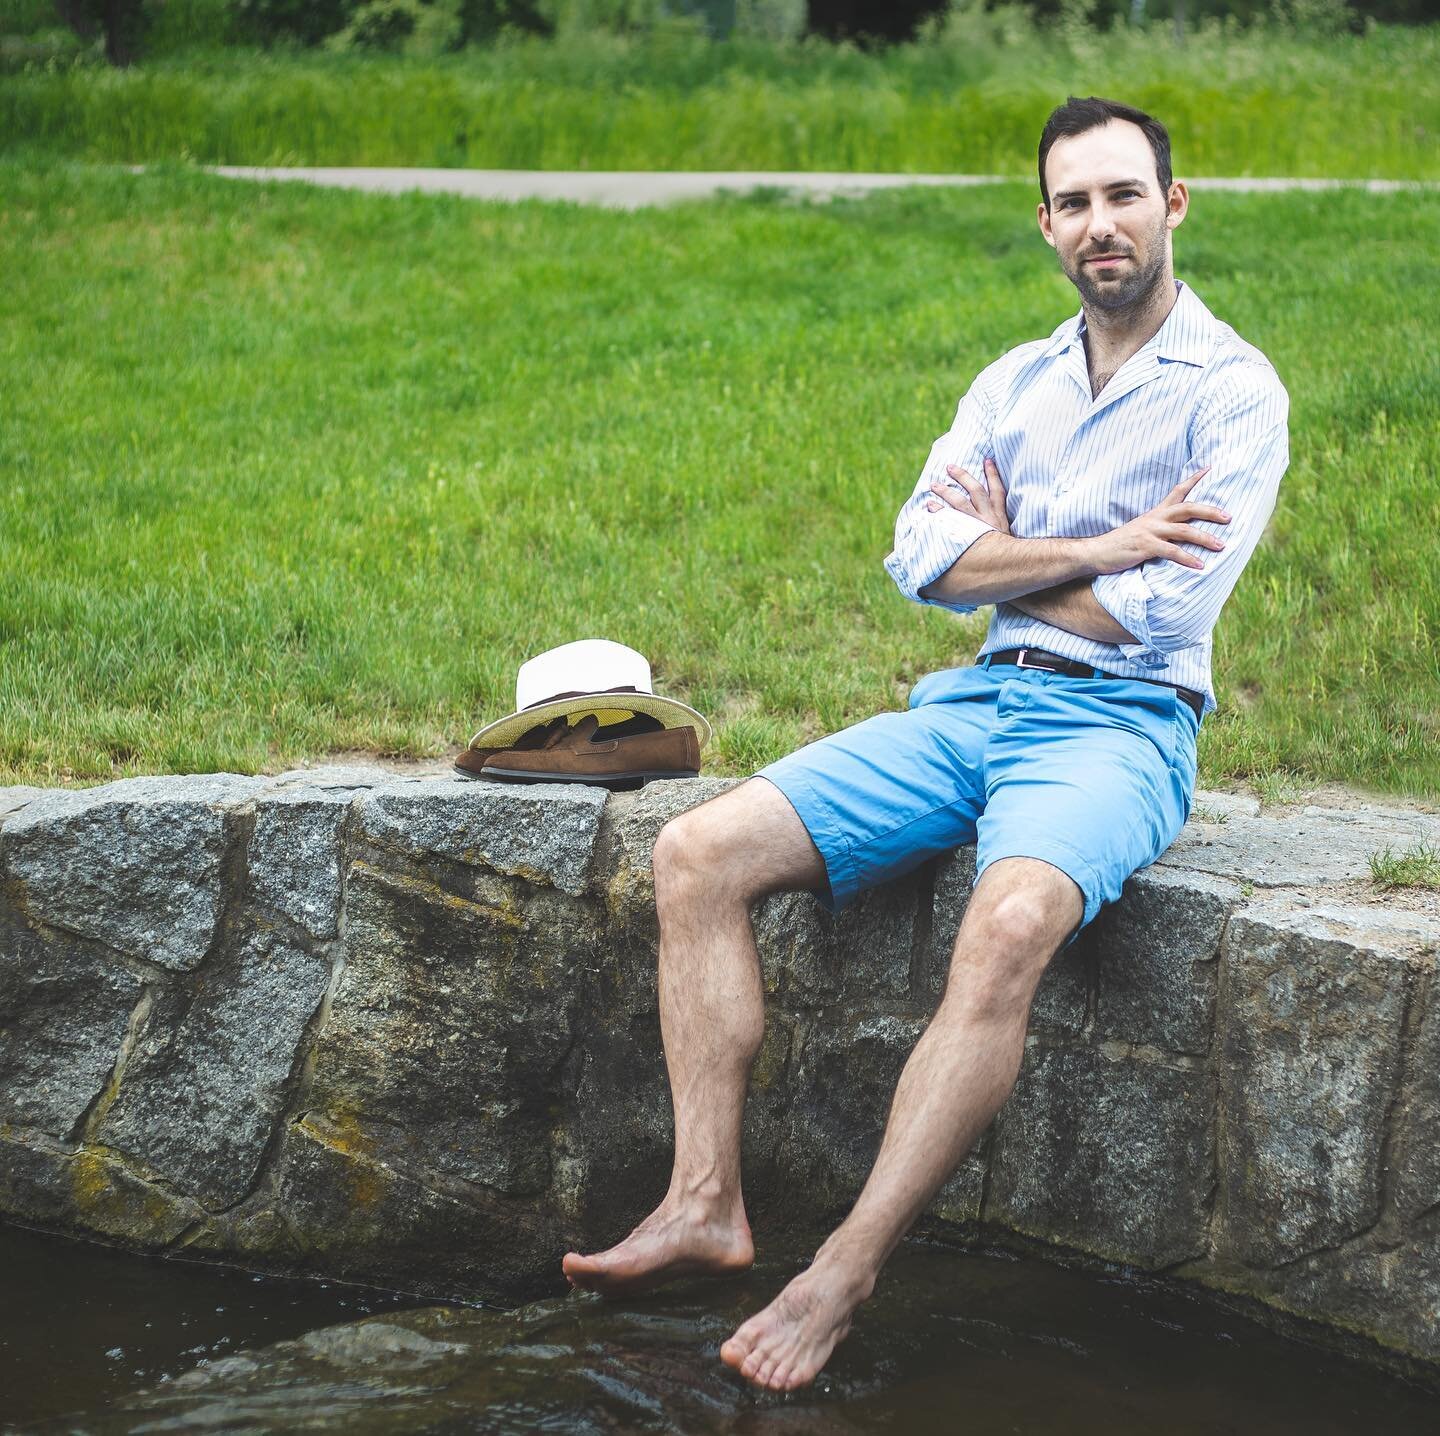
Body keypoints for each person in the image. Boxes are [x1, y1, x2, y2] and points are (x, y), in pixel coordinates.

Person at [561, 95, 1289, 1393]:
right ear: (1047, 224)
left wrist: (1005, 566)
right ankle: (703, 1203)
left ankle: (839, 1273)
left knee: (1007, 923)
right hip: (971, 706)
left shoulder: (1232, 392)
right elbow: (917, 559)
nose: (1099, 223)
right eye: (1074, 202)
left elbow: (1158, 610)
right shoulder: (1014, 383)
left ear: (1172, 207)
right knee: (695, 853)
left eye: (1124, 194)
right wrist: (1097, 545)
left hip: (1119, 727)